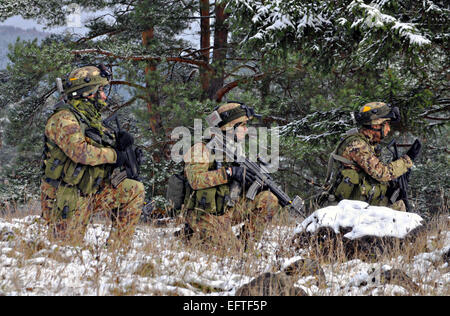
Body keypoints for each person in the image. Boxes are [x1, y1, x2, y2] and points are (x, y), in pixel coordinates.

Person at [40, 65, 145, 245]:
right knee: (65, 252)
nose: (104, 96)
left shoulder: (88, 119)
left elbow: (102, 141)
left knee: (134, 190)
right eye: (100, 90)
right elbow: (81, 153)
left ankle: (117, 250)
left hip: (90, 190)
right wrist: (114, 155)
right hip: (67, 196)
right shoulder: (63, 119)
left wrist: (120, 143)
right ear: (87, 93)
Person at [181, 102, 280, 250]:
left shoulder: (234, 150)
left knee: (268, 200)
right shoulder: (202, 149)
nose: (246, 130)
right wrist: (230, 173)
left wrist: (254, 183)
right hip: (204, 214)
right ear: (230, 127)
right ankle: (191, 234)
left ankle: (247, 245)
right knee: (231, 253)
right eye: (243, 125)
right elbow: (195, 180)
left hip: (228, 209)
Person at [324, 102, 421, 211]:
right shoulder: (358, 145)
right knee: (398, 207)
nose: (388, 129)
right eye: (387, 124)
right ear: (376, 125)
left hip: (352, 201)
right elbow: (381, 173)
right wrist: (407, 159)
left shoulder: (365, 142)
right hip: (348, 207)